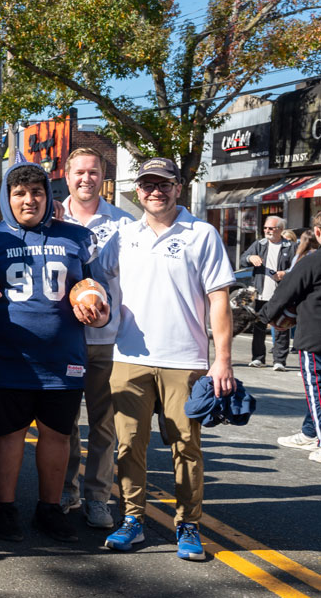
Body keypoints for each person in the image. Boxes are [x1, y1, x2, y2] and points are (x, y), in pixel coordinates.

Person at [100, 158, 235, 561]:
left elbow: (219, 299)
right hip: (129, 357)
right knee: (129, 446)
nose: (155, 191)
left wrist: (223, 359)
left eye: (164, 183)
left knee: (186, 448)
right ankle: (133, 519)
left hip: (185, 359)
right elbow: (93, 280)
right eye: (147, 184)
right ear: (137, 190)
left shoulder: (202, 234)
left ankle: (188, 524)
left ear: (179, 186)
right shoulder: (123, 236)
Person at [0, 161, 109, 544]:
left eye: (36, 192)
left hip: (63, 356)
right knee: (8, 435)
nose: (28, 200)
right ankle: (6, 508)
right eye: (19, 193)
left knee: (57, 435)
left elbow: (94, 286)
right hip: (7, 355)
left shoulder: (77, 237)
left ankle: (50, 508)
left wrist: (99, 304)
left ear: (49, 196)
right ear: (6, 198)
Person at [57, 148, 133, 530]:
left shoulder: (123, 223)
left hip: (106, 339)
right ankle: (66, 488)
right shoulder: (52, 219)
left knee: (103, 424)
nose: (86, 178)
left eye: (93, 172)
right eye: (79, 172)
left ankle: (98, 497)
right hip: (64, 339)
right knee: (65, 422)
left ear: (103, 176)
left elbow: (134, 283)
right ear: (66, 175)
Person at [261, 211, 321, 465]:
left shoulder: (313, 261)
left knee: (316, 389)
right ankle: (310, 432)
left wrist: (263, 317)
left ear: (317, 233)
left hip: (316, 336)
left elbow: (286, 292)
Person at [241, 215, 295, 371]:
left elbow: (298, 267)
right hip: (261, 293)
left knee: (281, 328)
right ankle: (258, 358)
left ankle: (279, 360)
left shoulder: (290, 247)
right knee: (259, 327)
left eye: (271, 228)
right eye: (265, 228)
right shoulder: (259, 244)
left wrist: (285, 273)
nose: (267, 231)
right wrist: (251, 258)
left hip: (280, 295)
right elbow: (243, 258)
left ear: (280, 229)